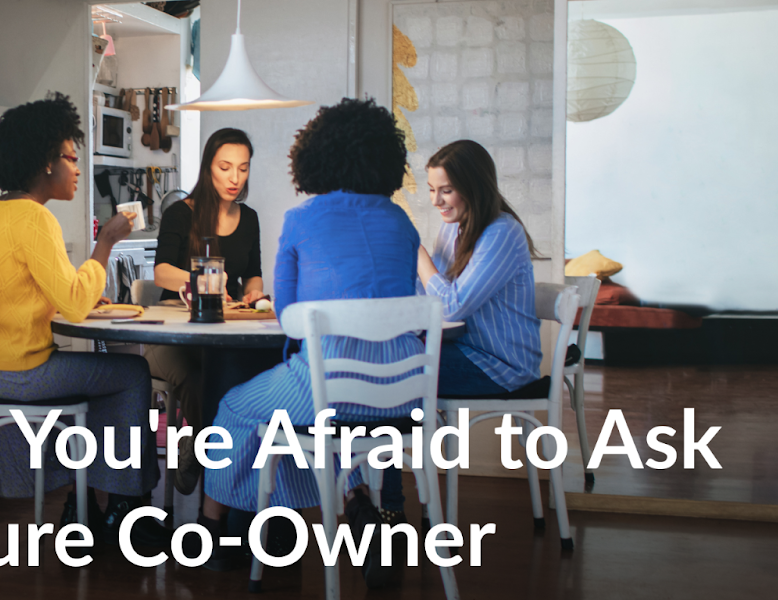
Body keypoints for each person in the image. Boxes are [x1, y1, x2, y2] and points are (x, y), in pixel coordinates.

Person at [200, 98, 422, 571]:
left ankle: (210, 532)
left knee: (235, 407)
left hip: (331, 389)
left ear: (315, 156)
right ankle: (355, 500)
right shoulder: (401, 221)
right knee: (303, 424)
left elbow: (290, 316)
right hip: (405, 394)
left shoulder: (302, 220)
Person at [0, 93, 166, 549]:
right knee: (131, 372)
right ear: (44, 163)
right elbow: (74, 305)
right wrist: (105, 243)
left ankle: (88, 505)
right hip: (22, 375)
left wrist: (79, 295)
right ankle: (122, 507)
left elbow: (26, 293)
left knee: (106, 378)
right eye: (71, 158)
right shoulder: (35, 219)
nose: (78, 168)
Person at [147, 128, 265, 494]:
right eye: (225, 167)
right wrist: (205, 278)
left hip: (225, 326)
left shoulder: (249, 218)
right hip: (172, 327)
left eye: (243, 169)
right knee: (200, 378)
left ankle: (213, 461)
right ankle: (214, 466)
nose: (234, 178)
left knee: (248, 376)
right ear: (207, 168)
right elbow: (161, 271)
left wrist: (254, 294)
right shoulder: (181, 214)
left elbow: (253, 275)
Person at [416, 139, 542, 396]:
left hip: (500, 366)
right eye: (431, 189)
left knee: (392, 367)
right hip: (465, 349)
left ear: (473, 187)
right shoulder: (451, 227)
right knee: (387, 354)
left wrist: (418, 254)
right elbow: (433, 294)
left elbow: (450, 308)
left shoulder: (502, 232)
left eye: (446, 190)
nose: (436, 201)